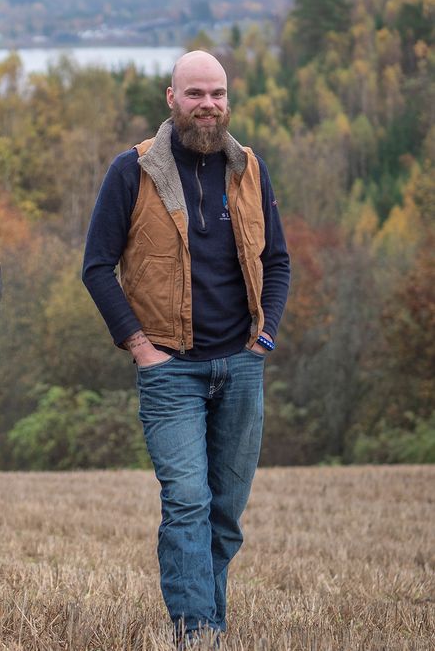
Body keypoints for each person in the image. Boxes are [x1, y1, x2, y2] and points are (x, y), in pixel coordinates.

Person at [82, 50, 290, 644]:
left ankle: (209, 623)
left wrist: (264, 337)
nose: (208, 105)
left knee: (225, 515)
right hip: (170, 369)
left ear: (228, 100)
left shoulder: (249, 168)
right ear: (171, 99)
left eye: (217, 94)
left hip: (242, 366)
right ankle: (197, 630)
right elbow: (96, 268)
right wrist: (142, 348)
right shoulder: (134, 170)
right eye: (195, 94)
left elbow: (276, 261)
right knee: (188, 502)